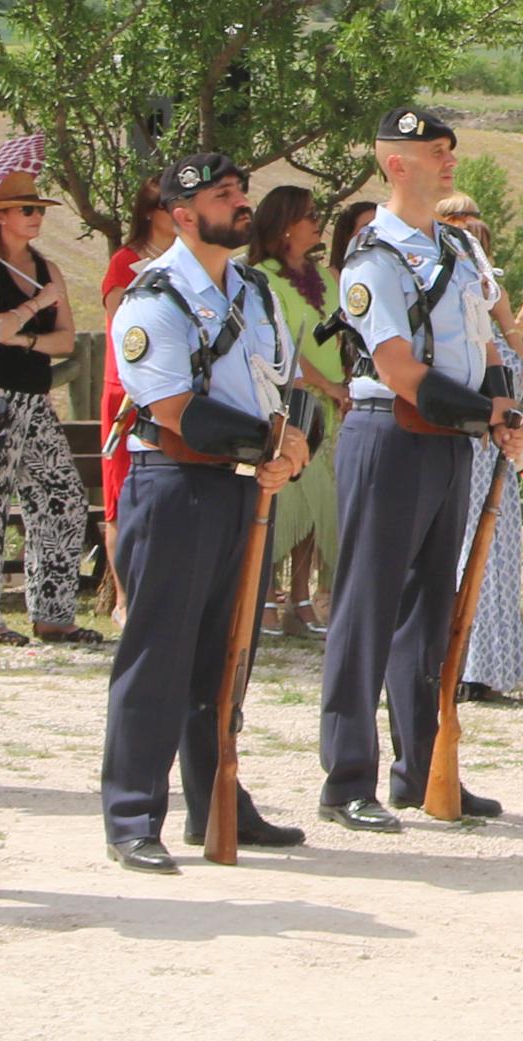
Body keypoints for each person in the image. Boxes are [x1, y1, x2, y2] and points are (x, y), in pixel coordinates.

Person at [97, 154, 312, 869]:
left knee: (228, 657)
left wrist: (289, 442)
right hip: (176, 483)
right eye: (223, 195)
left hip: (245, 486)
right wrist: (271, 443)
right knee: (158, 656)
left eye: (240, 190)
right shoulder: (151, 299)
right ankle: (133, 814)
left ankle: (215, 798)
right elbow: (175, 410)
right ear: (182, 213)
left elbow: (276, 382)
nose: (241, 202)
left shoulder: (255, 291)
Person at [317, 106, 523, 832]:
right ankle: (347, 777)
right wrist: (483, 412)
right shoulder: (373, 255)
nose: (450, 160)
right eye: (436, 150)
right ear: (396, 162)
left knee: (430, 613)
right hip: (390, 432)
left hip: (451, 439)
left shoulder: (461, 252)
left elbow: (488, 345)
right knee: (367, 609)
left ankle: (421, 768)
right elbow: (399, 367)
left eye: (450, 148)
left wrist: (500, 408)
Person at [0, 159, 94, 647]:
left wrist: (26, 335)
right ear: (0, 216)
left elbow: (66, 341)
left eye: (39, 209)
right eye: (26, 208)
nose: (36, 217)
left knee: (63, 498)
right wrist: (37, 307)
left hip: (35, 398)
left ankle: (53, 612)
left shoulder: (46, 267)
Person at [432, 191, 523, 701]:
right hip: (460, 446)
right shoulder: (443, 306)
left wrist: (515, 322)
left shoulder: (491, 309)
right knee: (456, 554)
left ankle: (487, 668)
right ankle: (453, 664)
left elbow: (514, 371)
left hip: (495, 452)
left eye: (481, 240)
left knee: (496, 557)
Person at [247, 185, 347, 636]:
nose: (317, 222)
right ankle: (264, 593)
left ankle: (302, 595)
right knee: (283, 500)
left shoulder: (324, 277)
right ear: (285, 225)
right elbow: (284, 339)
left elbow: (330, 332)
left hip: (330, 402)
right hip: (291, 401)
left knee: (317, 505)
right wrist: (325, 383)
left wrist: (344, 378)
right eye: (308, 215)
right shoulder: (262, 276)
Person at [96, 179, 179, 605]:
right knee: (119, 494)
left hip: (173, 389)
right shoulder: (125, 261)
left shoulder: (189, 262)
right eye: (168, 207)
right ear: (150, 212)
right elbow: (118, 329)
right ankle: (126, 597)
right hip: (126, 391)